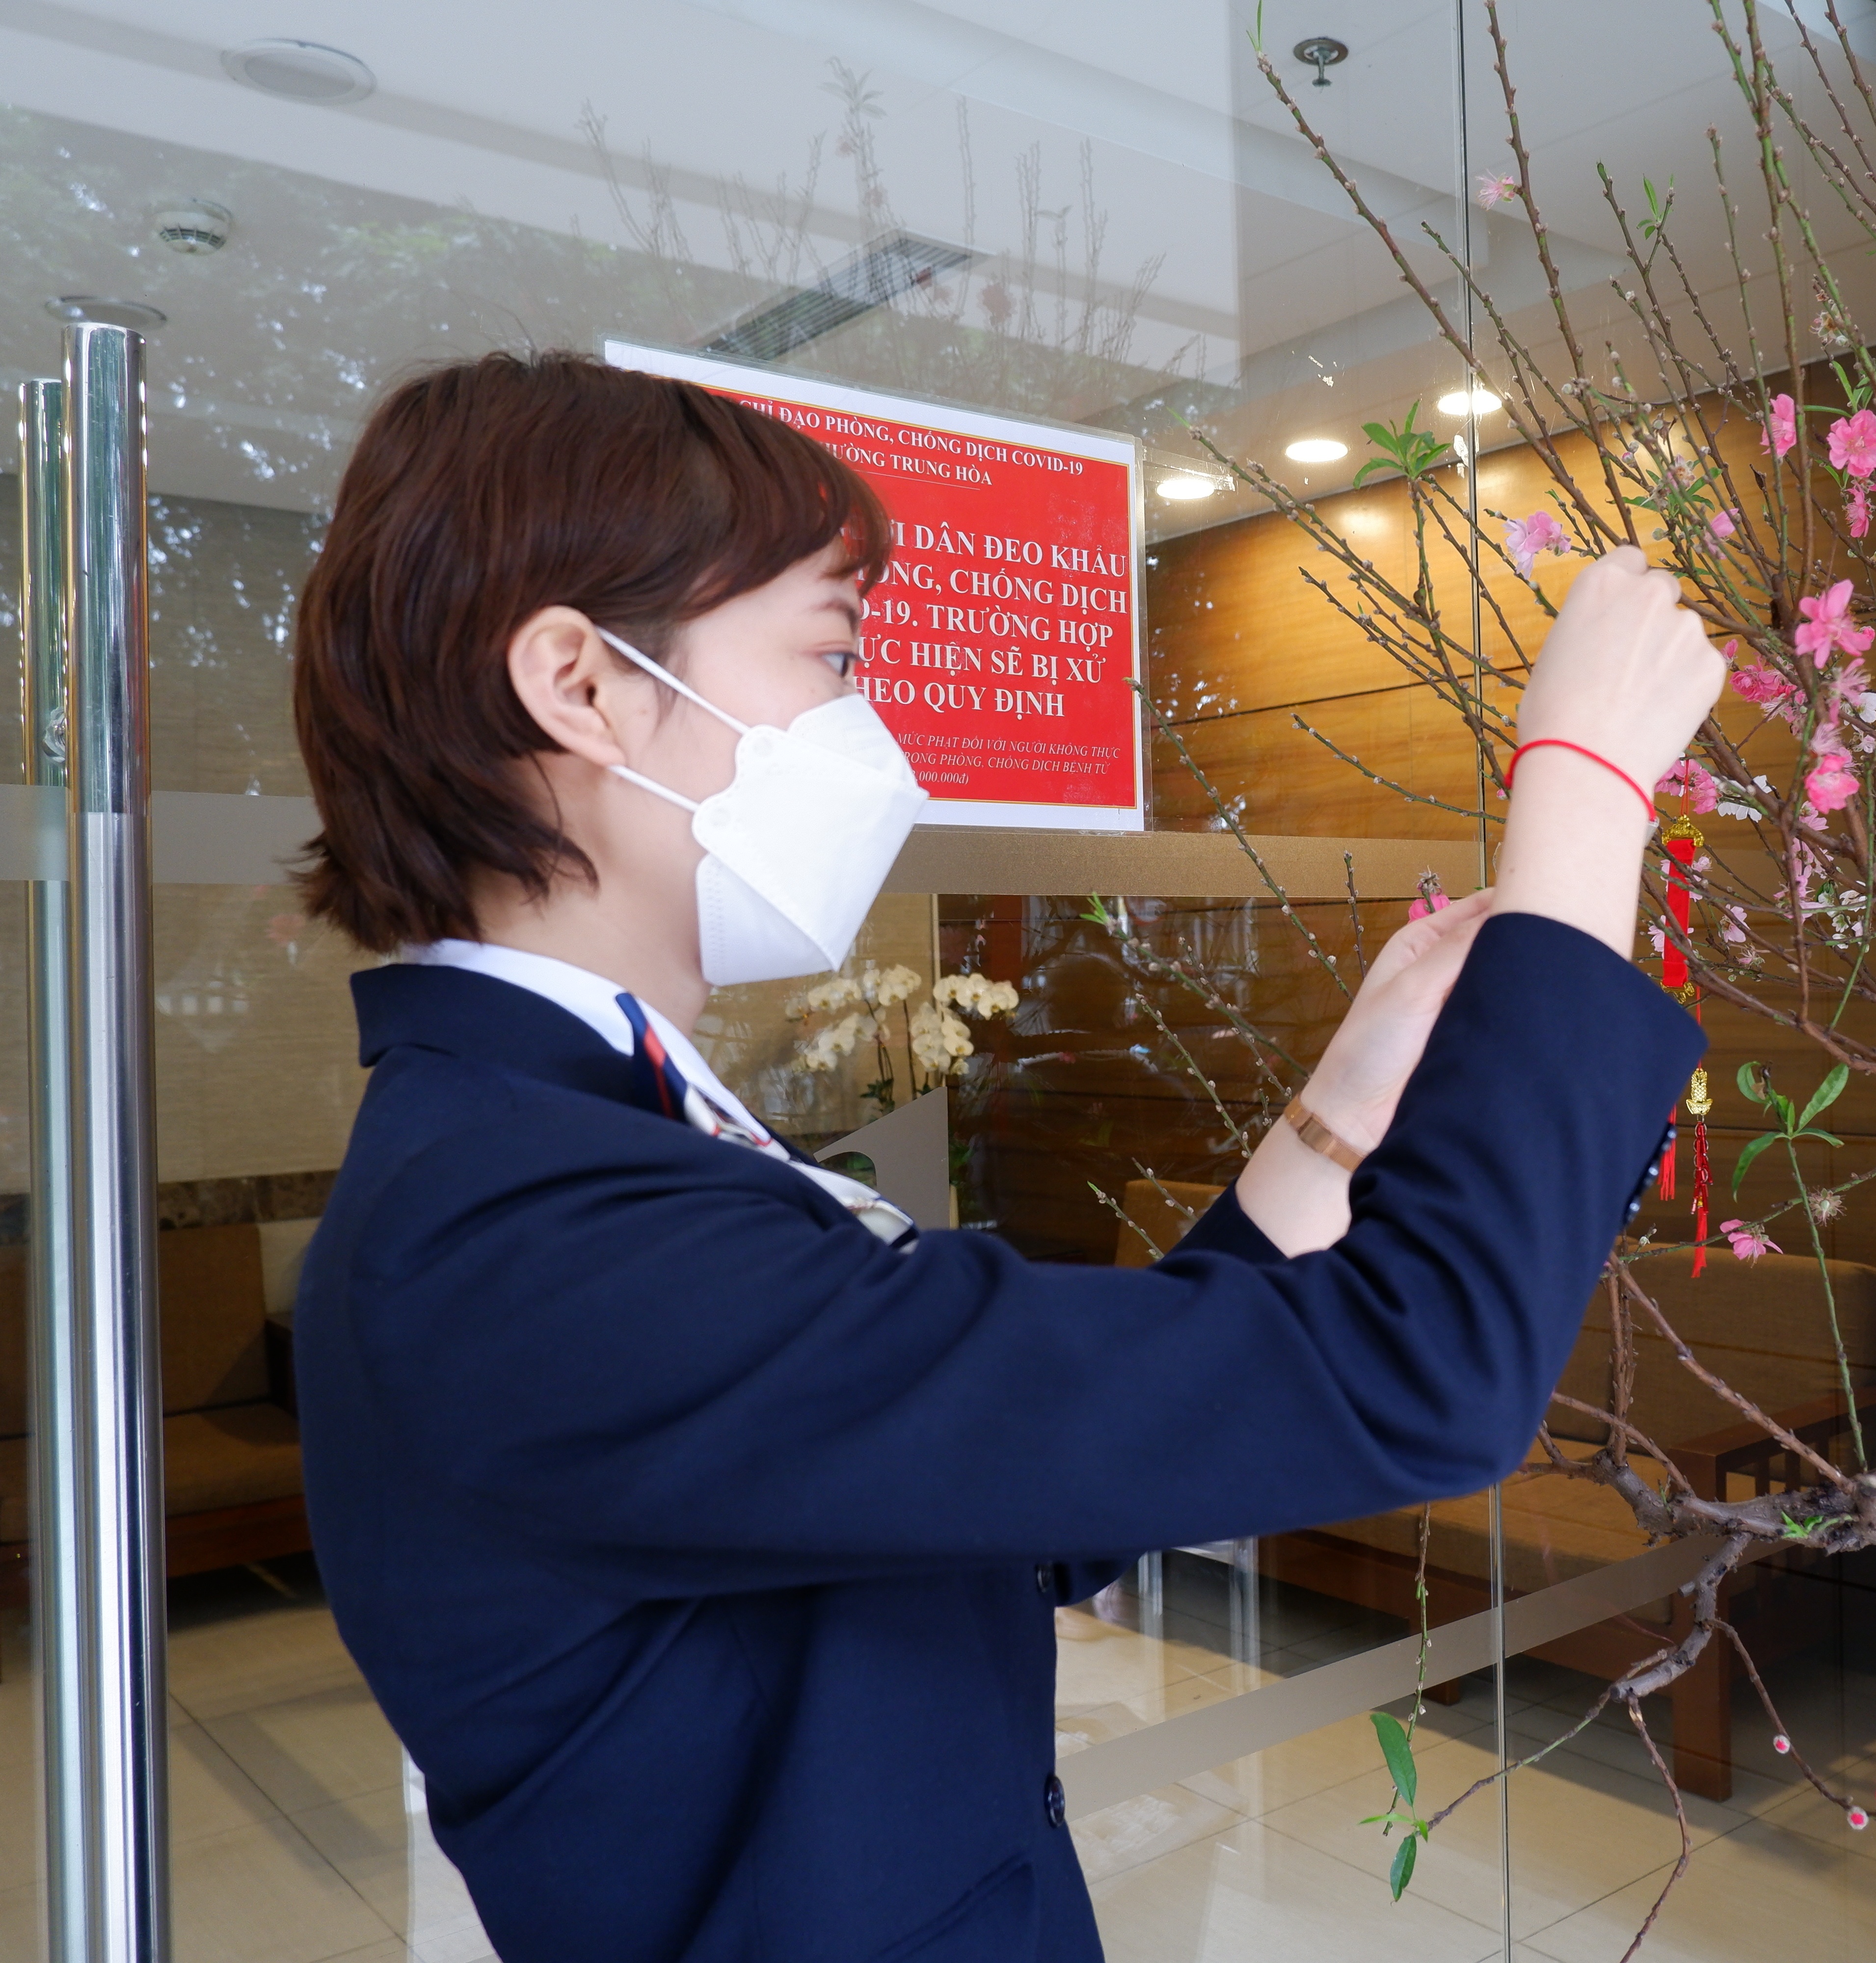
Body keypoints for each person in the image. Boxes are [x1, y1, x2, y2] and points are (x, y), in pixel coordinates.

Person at [289, 351, 1723, 1962]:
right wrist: (1588, 789)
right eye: (829, 658)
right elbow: (1426, 1371)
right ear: (584, 683)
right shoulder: (526, 1234)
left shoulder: (586, 1138)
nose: (865, 728)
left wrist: (1347, 1099)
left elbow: (1034, 1492)